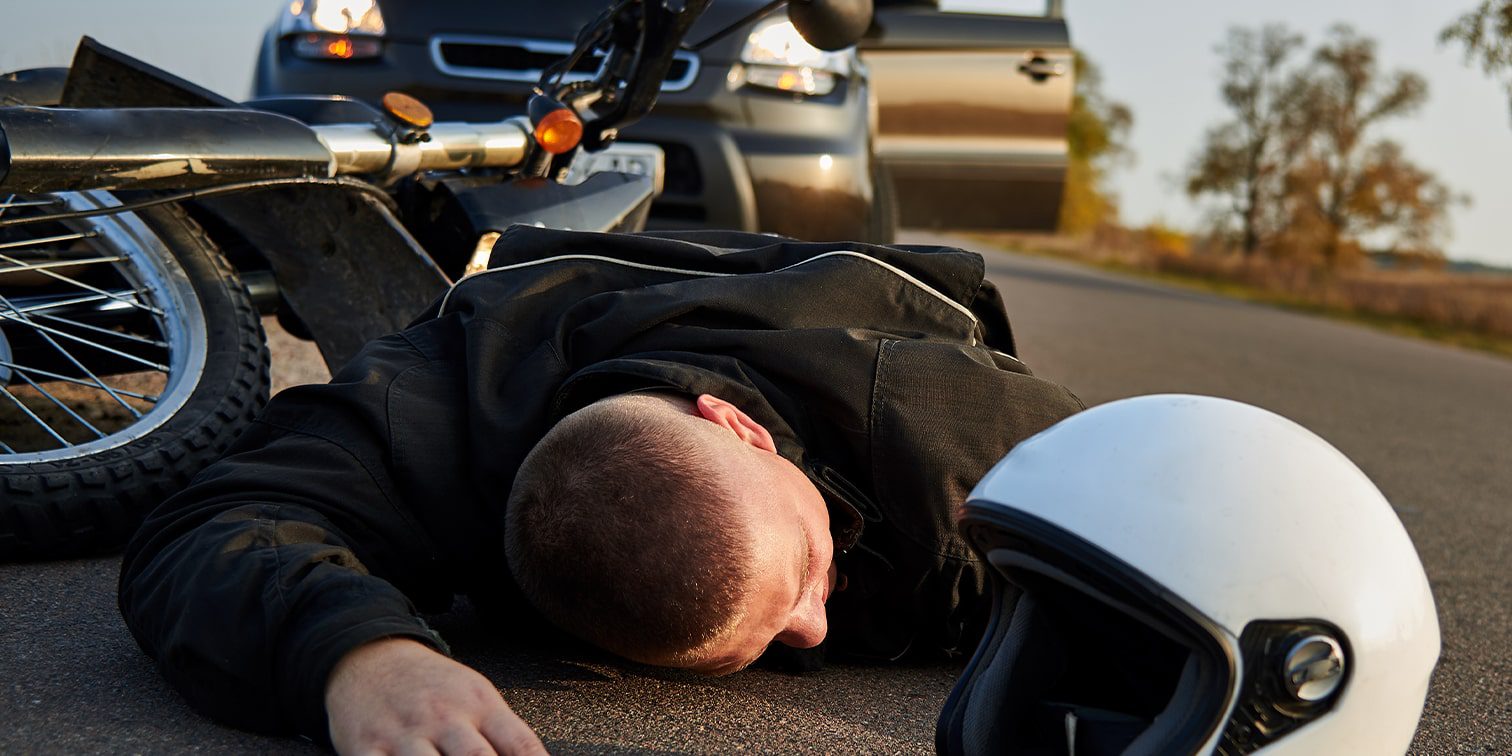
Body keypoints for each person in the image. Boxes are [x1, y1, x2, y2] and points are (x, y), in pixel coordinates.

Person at [118, 226, 1083, 754]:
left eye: (808, 568)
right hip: (533, 312)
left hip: (855, 313)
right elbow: (208, 527)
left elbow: (1187, 515)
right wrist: (359, 656)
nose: (815, 631)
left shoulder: (953, 447)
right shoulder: (424, 414)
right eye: (801, 594)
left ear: (741, 429)